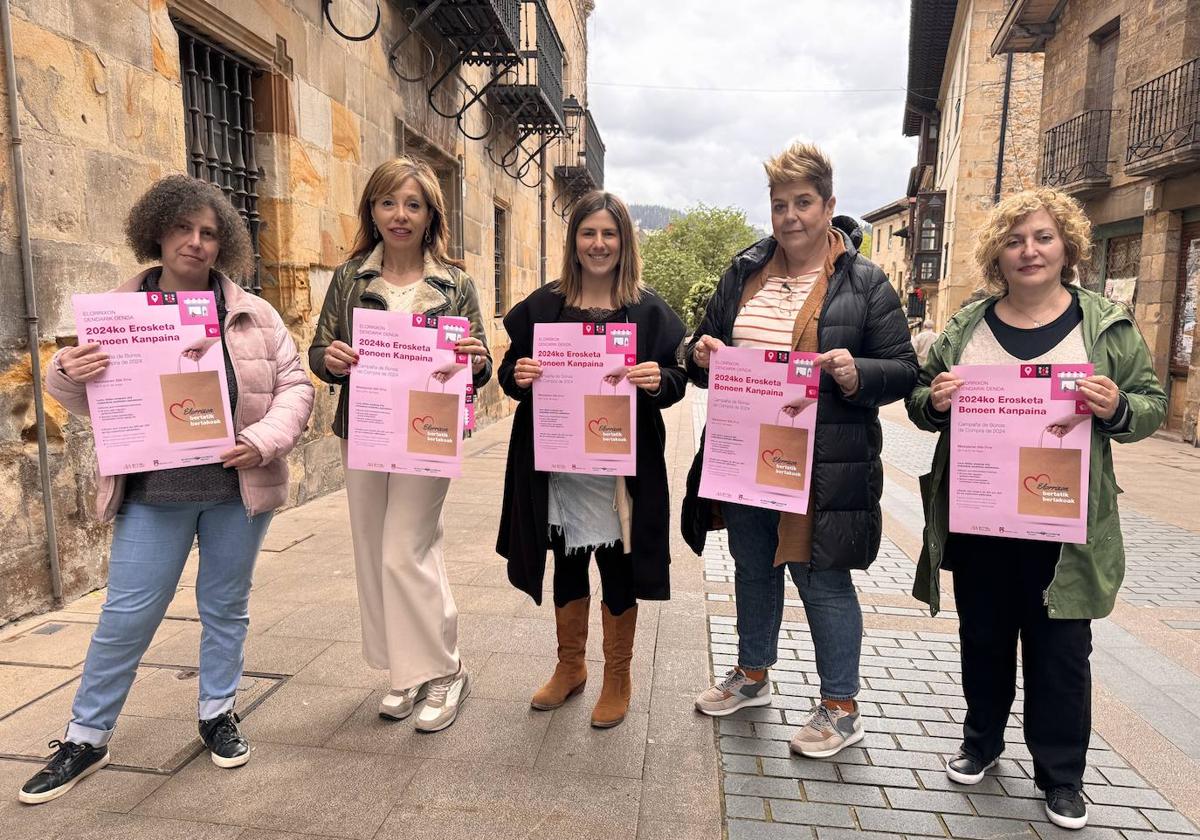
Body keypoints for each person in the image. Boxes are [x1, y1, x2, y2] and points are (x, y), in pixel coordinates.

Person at [22, 175, 315, 804]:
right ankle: (86, 735)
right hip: (154, 494)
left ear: (224, 244)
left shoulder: (253, 312)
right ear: (157, 231)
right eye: (184, 228)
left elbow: (297, 387)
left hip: (237, 489)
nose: (196, 242)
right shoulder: (116, 315)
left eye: (210, 233)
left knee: (225, 607)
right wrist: (65, 370)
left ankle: (218, 712)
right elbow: (85, 399)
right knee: (127, 614)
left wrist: (262, 439)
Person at [905, 187, 1167, 830]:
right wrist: (933, 402)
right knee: (983, 639)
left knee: (1060, 653)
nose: (1029, 251)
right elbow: (918, 400)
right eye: (1016, 240)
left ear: (1066, 247)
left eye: (1043, 237)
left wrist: (1119, 408)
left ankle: (1062, 777)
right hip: (981, 514)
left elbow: (1151, 402)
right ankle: (982, 742)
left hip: (1064, 526)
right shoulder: (967, 327)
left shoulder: (1105, 326)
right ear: (998, 252)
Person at [682, 142, 917, 757]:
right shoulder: (745, 271)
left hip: (821, 463)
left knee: (823, 581)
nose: (790, 216)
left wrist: (854, 371)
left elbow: (903, 370)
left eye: (803, 203)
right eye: (780, 204)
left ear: (829, 205)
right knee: (753, 569)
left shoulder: (864, 283)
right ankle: (753, 674)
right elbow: (703, 349)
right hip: (743, 454)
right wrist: (698, 353)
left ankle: (841, 706)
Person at [309, 157, 490, 733]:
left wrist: (477, 360)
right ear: (373, 209)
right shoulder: (349, 279)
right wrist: (331, 360)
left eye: (413, 204)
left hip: (428, 430)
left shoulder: (454, 283)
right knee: (372, 549)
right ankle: (405, 672)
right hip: (364, 429)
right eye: (389, 203)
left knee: (405, 549)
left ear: (430, 212)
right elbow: (319, 351)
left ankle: (447, 668)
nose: (400, 215)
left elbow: (480, 360)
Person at [497, 191, 686, 728]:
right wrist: (520, 376)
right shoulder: (542, 307)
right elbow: (512, 373)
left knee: (619, 564)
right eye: (588, 233)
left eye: (609, 234)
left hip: (621, 468)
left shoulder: (648, 311)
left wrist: (658, 381)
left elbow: (675, 378)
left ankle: (618, 676)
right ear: (573, 241)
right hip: (558, 462)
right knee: (567, 559)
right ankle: (571, 666)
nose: (598, 244)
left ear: (624, 241)